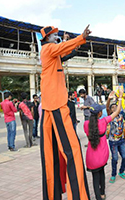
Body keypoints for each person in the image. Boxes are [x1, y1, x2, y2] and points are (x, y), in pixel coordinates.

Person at [39, 25, 91, 200]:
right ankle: (79, 196)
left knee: (51, 153)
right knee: (73, 151)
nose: (58, 37)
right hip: (56, 103)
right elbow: (61, 48)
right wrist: (80, 37)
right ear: (48, 38)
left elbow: (64, 53)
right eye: (55, 35)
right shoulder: (48, 48)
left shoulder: (52, 52)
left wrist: (74, 45)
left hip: (50, 104)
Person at [84, 89, 123, 200]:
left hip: (91, 156)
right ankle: (102, 193)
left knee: (95, 178)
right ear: (100, 114)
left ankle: (98, 197)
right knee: (101, 173)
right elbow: (117, 111)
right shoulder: (103, 121)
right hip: (102, 154)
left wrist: (109, 99)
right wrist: (119, 97)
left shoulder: (86, 124)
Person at [105, 92, 125, 184]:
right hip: (113, 142)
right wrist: (109, 99)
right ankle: (113, 174)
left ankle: (121, 171)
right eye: (113, 107)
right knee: (114, 159)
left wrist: (119, 98)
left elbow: (122, 106)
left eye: (116, 107)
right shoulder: (109, 117)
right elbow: (107, 106)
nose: (114, 108)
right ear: (110, 110)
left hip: (122, 140)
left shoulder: (121, 115)